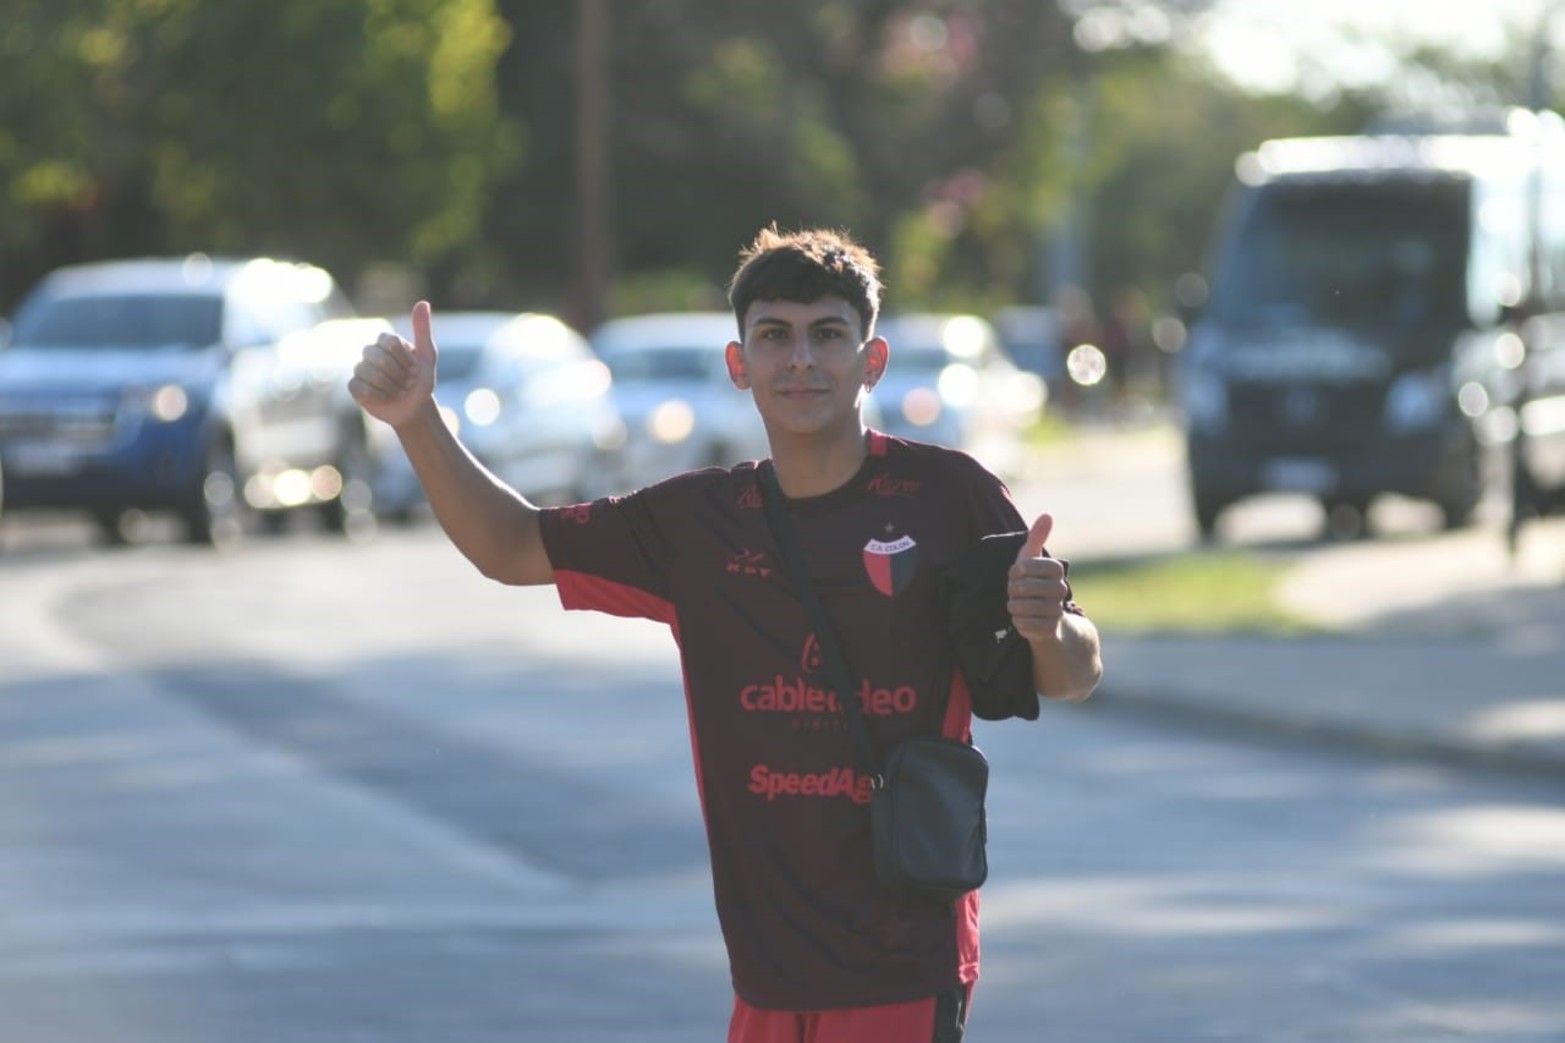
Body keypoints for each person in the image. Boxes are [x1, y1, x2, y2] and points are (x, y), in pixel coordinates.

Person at [348, 225, 1102, 1043]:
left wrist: (1044, 628)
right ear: (739, 364)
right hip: (765, 967)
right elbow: (511, 545)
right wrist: (417, 421)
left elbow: (1074, 670)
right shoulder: (697, 523)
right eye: (774, 336)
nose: (801, 360)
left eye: (827, 335)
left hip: (903, 956)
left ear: (871, 360)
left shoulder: (948, 495)